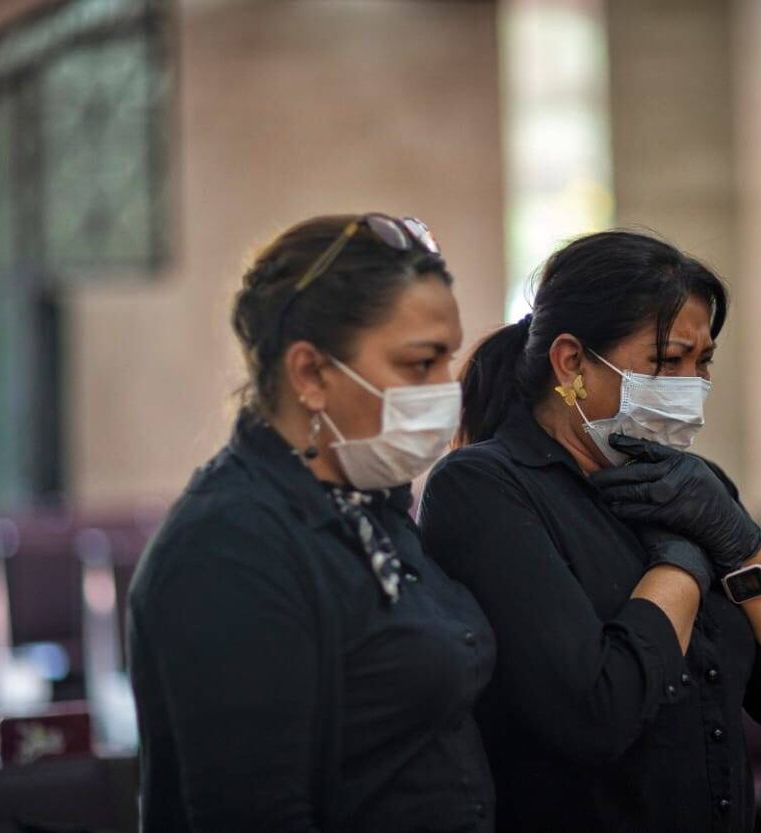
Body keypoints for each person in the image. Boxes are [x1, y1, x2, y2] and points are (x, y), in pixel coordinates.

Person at [418, 230, 761, 833]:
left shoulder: (698, 488)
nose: (689, 385)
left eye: (701, 362)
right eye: (665, 361)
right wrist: (683, 559)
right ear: (571, 361)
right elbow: (595, 713)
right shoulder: (483, 488)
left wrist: (740, 544)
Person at [128, 214, 496, 833]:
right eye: (420, 364)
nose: (445, 390)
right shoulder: (228, 549)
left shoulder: (365, 501)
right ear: (311, 374)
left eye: (448, 360)